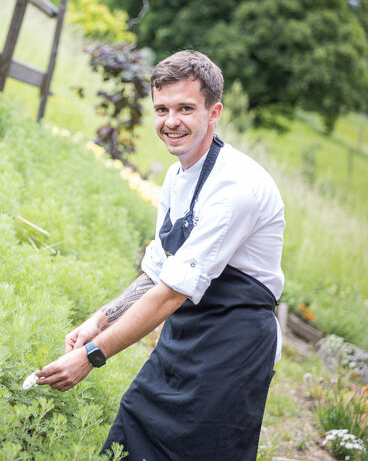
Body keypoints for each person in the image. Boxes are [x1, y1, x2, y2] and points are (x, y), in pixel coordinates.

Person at [36, 50, 285, 460]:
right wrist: (97, 321)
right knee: (133, 433)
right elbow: (156, 272)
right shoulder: (175, 174)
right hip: (185, 336)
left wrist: (93, 356)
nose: (171, 122)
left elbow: (171, 293)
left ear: (214, 111)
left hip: (233, 348)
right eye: (162, 109)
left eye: (185, 108)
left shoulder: (236, 187)